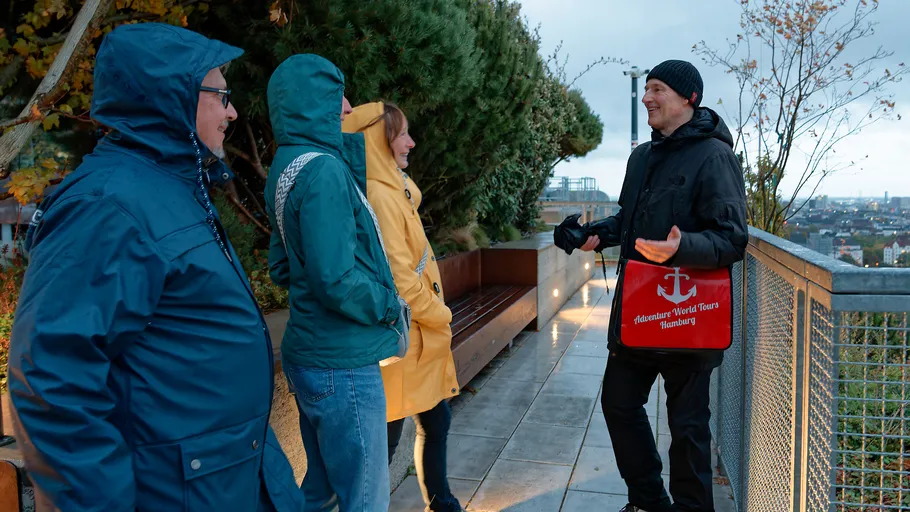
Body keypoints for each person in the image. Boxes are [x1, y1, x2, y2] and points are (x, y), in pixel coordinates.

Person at [7, 23, 302, 511]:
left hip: (227, 475)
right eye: (220, 95)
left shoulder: (171, 187)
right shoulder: (108, 206)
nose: (231, 111)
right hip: (179, 490)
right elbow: (53, 382)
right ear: (171, 94)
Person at [555, 60, 748, 512]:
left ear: (689, 98)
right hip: (639, 311)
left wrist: (682, 249)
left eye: (658, 90)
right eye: (646, 90)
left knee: (689, 430)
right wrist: (593, 233)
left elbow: (732, 238)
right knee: (618, 405)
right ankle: (648, 502)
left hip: (688, 316)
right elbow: (629, 219)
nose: (647, 98)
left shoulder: (715, 156)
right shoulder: (641, 157)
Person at [265, 55, 404, 511]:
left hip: (311, 354)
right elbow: (337, 279)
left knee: (320, 494)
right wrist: (388, 304)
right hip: (341, 363)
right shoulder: (322, 170)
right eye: (336, 95)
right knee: (365, 500)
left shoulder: (286, 166)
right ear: (311, 102)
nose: (347, 107)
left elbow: (282, 267)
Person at [342, 102, 462, 512]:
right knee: (388, 435)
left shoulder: (392, 186)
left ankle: (442, 502)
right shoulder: (380, 193)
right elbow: (399, 276)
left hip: (413, 332)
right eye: (402, 134)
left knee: (433, 418)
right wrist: (439, 313)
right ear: (379, 140)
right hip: (403, 333)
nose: (411, 142)